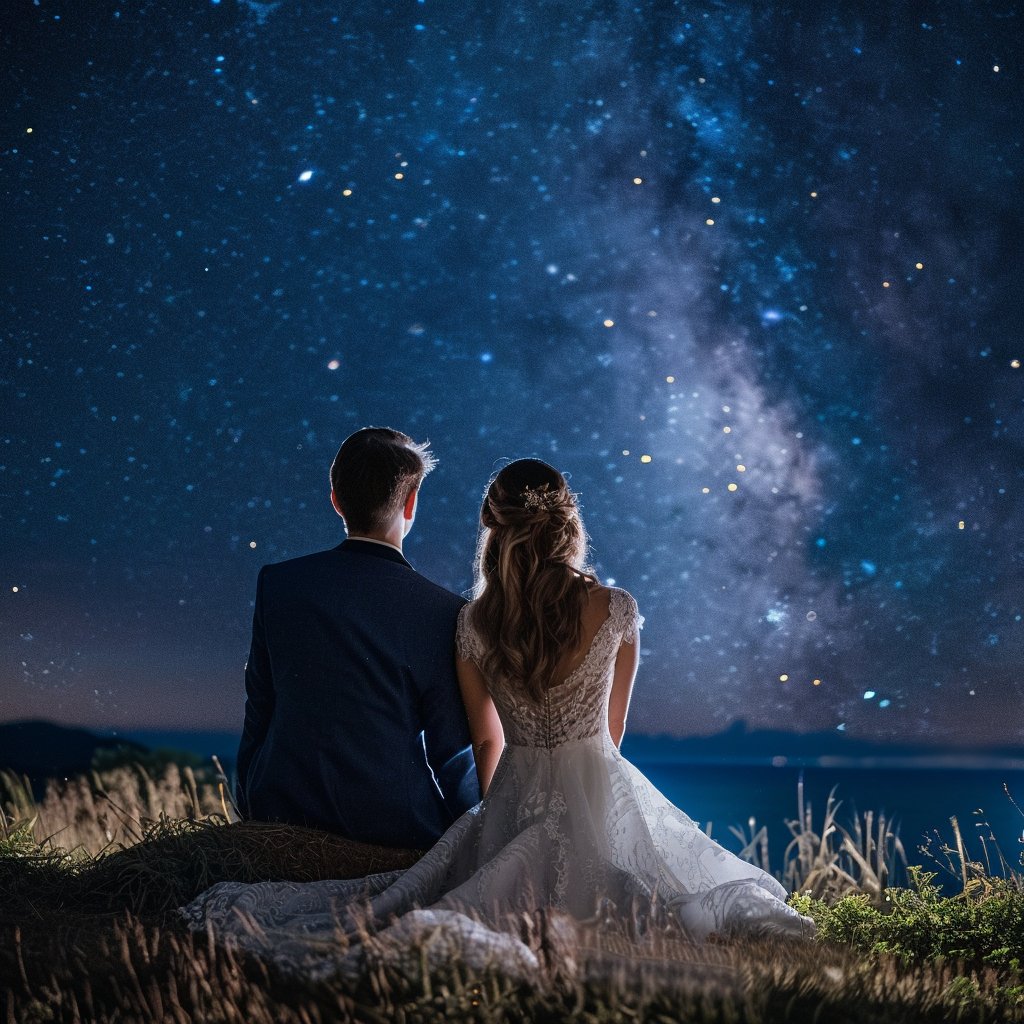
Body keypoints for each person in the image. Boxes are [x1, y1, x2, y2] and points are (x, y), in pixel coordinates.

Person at [182, 458, 813, 977]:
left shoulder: (472, 622)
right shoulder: (615, 608)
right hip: (596, 783)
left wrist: (499, 816)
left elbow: (485, 741)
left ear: (494, 527)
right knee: (664, 897)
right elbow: (610, 736)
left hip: (514, 789)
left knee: (448, 889)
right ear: (567, 521)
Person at [234, 426, 479, 850]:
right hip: (392, 824)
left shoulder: (279, 584)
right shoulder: (443, 612)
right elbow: (452, 752)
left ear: (336, 499)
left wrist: (252, 802)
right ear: (411, 502)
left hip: (280, 809)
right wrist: (477, 834)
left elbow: (259, 707)